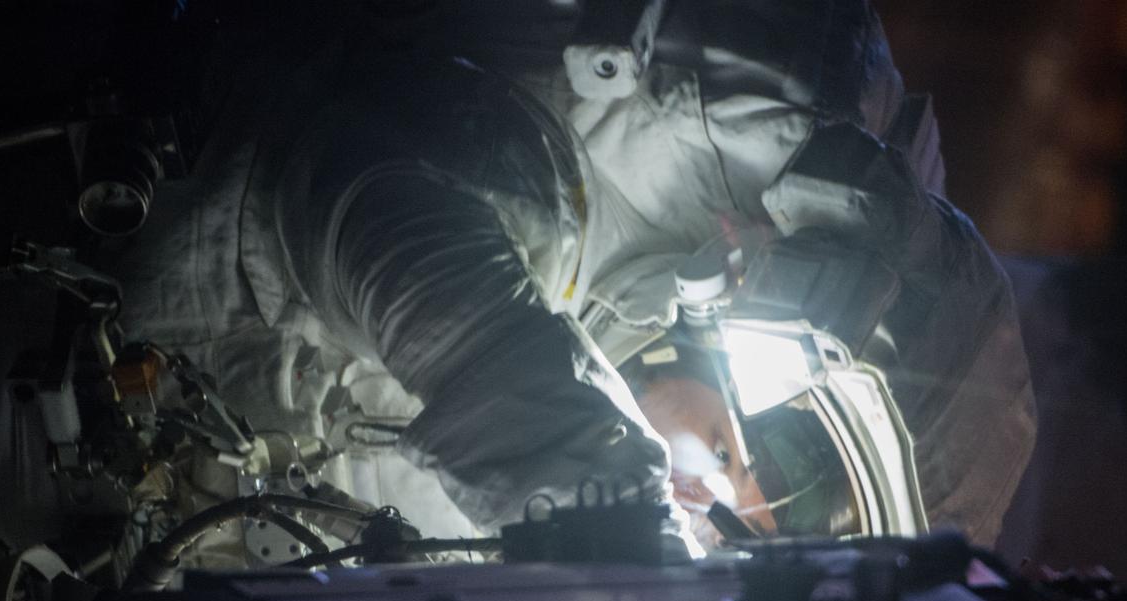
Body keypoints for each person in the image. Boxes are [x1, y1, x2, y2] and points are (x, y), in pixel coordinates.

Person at [101, 0, 1034, 558]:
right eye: (779, 469)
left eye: (754, 540)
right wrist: (616, 532)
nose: (721, 503)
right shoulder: (587, 180)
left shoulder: (602, 456)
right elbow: (364, 203)